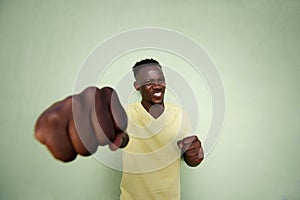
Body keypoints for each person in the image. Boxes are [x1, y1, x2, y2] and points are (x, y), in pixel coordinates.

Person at [34, 58, 204, 199]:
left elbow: (189, 158)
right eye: (149, 82)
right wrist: (81, 114)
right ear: (137, 86)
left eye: (160, 80)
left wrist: (194, 155)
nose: (157, 85)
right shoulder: (126, 114)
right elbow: (112, 125)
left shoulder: (181, 115)